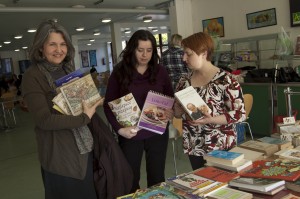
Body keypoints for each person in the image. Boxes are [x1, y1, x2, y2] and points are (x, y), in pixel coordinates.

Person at [22, 19, 133, 199]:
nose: (59, 50)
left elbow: (83, 106)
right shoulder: (32, 76)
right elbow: (44, 120)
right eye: (52, 44)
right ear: (41, 47)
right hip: (60, 156)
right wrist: (84, 117)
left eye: (63, 44)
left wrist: (92, 102)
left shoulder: (68, 70)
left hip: (85, 147)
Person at [103, 29, 174, 192]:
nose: (145, 55)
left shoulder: (160, 71)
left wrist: (170, 110)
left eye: (149, 50)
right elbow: (108, 105)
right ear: (132, 49)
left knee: (157, 177)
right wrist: (120, 130)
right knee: (130, 177)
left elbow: (170, 98)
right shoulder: (120, 71)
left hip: (156, 131)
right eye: (140, 50)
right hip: (131, 133)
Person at [173, 32, 246, 170]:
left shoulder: (226, 80)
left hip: (220, 144)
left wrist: (210, 119)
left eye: (188, 54)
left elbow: (239, 114)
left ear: (204, 53)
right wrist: (177, 106)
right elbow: (177, 114)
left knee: (221, 184)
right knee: (201, 182)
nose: (184, 58)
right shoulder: (184, 81)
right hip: (193, 144)